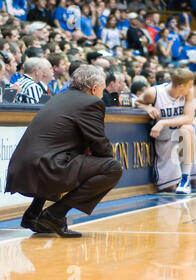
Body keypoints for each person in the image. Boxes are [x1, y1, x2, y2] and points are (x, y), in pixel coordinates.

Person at [5, 65, 122, 237]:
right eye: (102, 89)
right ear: (94, 89)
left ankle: (33, 214)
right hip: (44, 167)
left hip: (23, 166)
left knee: (68, 157)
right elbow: (99, 143)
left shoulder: (59, 97)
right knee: (113, 168)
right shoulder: (92, 102)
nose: (102, 94)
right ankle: (55, 215)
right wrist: (106, 159)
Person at [135, 68, 196, 194]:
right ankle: (193, 165)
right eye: (190, 85)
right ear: (180, 86)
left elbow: (189, 118)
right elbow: (137, 101)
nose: (191, 88)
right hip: (164, 138)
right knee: (167, 188)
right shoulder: (154, 93)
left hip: (180, 137)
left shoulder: (188, 94)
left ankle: (185, 179)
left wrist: (163, 122)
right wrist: (146, 107)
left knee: (186, 128)